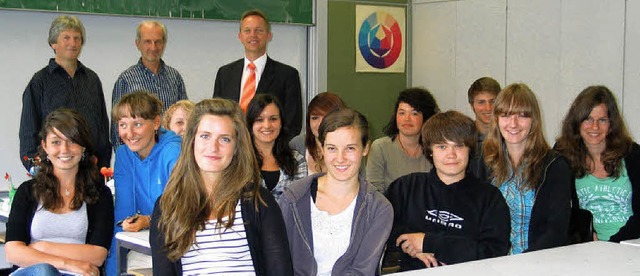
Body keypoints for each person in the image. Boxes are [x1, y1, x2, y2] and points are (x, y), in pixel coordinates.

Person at [150, 98, 293, 275]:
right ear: (191, 141)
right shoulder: (167, 208)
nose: (213, 147)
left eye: (224, 139)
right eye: (205, 136)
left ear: (236, 148)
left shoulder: (259, 202)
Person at [385, 110, 510, 271]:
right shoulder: (406, 187)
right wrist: (411, 247)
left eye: (459, 146)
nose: (451, 154)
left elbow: (494, 252)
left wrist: (429, 242)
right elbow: (381, 228)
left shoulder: (489, 198)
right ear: (430, 150)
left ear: (470, 149)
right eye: (442, 146)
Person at [278, 108, 393, 275]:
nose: (340, 158)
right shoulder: (293, 198)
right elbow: (279, 262)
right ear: (321, 148)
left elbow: (362, 271)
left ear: (366, 148)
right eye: (332, 148)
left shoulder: (378, 208)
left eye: (350, 148)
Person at [6, 109, 114, 276]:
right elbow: (13, 252)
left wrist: (43, 247)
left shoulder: (100, 194)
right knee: (44, 271)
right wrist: (67, 264)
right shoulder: (27, 191)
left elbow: (98, 255)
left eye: (72, 141)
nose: (64, 150)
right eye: (56, 142)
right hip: (33, 272)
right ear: (45, 146)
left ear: (83, 146)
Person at [483, 83, 572, 254]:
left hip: (537, 261)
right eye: (506, 115)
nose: (513, 123)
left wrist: (523, 264)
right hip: (492, 260)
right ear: (497, 120)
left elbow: (556, 231)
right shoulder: (484, 163)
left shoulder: (555, 166)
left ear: (534, 121)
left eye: (522, 115)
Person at [19, 15, 111, 171]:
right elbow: (29, 133)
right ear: (53, 43)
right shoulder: (39, 82)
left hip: (90, 171)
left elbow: (101, 126)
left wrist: (102, 165)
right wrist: (39, 170)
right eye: (66, 38)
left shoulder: (92, 79)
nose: (73, 43)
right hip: (53, 173)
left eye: (77, 38)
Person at [104, 91, 182, 275]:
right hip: (147, 242)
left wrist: (148, 220)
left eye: (137, 124)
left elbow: (181, 209)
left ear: (156, 123)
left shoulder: (173, 152)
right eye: (123, 125)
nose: (129, 133)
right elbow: (123, 215)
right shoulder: (124, 155)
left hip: (179, 243)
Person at [555, 85, 640, 242]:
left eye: (602, 120)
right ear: (577, 122)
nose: (595, 127)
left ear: (611, 124)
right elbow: (560, 212)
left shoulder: (633, 153)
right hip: (585, 248)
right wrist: (583, 238)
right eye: (588, 119)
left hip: (630, 244)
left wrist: (613, 243)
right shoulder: (563, 155)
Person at [213, 9, 302, 138]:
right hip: (232, 149)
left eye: (259, 30)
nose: (253, 35)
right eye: (247, 31)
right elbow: (217, 116)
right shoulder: (225, 74)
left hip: (269, 152)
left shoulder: (287, 75)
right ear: (240, 36)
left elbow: (292, 125)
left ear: (269, 35)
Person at [111, 20, 188, 149]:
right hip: (140, 156)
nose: (153, 47)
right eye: (148, 41)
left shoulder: (175, 77)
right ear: (138, 44)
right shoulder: (126, 80)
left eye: (158, 42)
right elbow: (117, 129)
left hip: (171, 153)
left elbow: (186, 118)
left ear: (164, 44)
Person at [366, 87, 439, 193]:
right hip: (389, 208)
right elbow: (373, 192)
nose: (407, 119)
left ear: (426, 117)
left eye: (414, 113)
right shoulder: (380, 147)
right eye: (402, 113)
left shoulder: (435, 149)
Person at [246, 94, 307, 200]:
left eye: (273, 119)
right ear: (250, 124)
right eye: (259, 120)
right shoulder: (238, 159)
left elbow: (298, 202)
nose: (267, 125)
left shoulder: (296, 160)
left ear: (281, 123)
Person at [289, 92, 346, 174]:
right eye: (315, 118)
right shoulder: (297, 145)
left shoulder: (350, 148)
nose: (320, 123)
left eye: (327, 117)